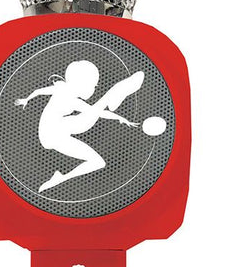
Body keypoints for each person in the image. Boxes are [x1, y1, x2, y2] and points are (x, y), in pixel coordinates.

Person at [15, 60, 144, 192]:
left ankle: (60, 178)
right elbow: (98, 113)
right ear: (83, 84)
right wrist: (120, 118)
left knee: (98, 161)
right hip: (54, 132)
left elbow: (39, 91)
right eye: (94, 85)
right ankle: (114, 94)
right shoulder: (71, 99)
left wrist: (26, 99)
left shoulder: (61, 89)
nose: (94, 89)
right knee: (94, 117)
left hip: (53, 132)